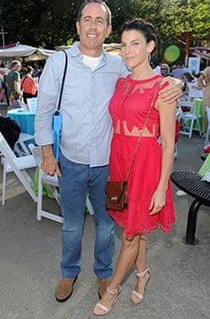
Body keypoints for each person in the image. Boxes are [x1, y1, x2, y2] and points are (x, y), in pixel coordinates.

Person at [35, 0, 181, 304]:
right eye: (87, 19)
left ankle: (104, 272)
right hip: (71, 160)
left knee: (107, 225)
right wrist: (47, 152)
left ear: (107, 28)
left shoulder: (118, 65)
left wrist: (175, 84)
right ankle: (68, 272)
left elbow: (149, 80)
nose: (92, 26)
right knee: (72, 225)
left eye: (99, 21)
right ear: (78, 26)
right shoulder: (59, 62)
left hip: (109, 165)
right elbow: (44, 111)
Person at [93, 18, 176, 316]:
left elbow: (168, 143)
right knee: (135, 228)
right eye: (124, 45)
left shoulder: (164, 88)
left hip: (145, 165)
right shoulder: (122, 81)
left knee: (130, 235)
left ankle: (112, 291)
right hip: (120, 162)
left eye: (135, 44)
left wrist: (161, 188)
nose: (128, 51)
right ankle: (143, 275)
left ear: (151, 46)